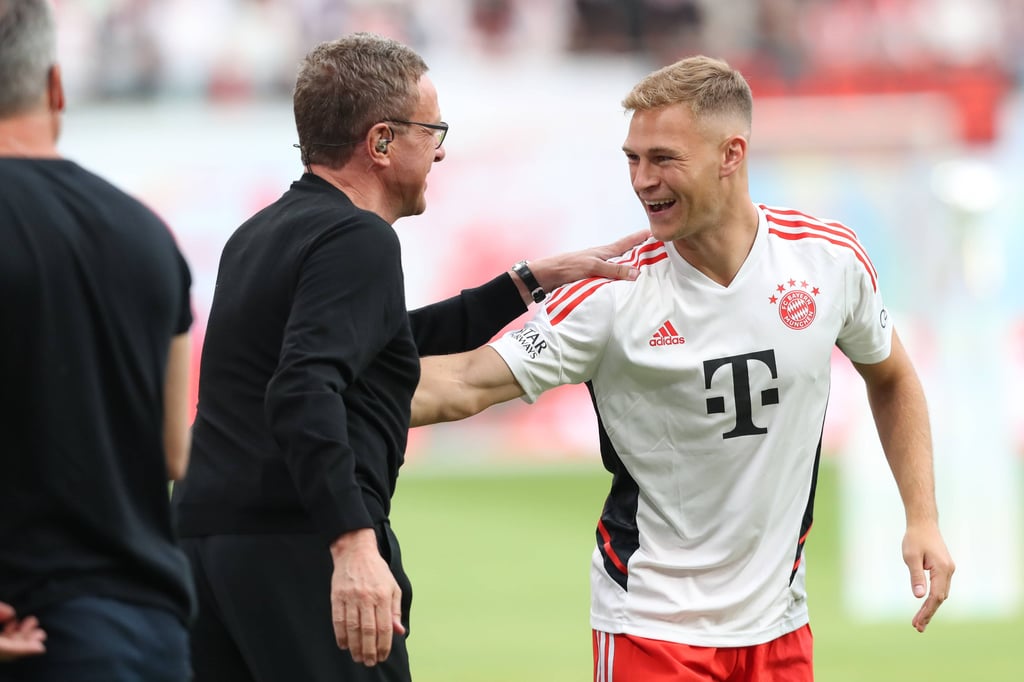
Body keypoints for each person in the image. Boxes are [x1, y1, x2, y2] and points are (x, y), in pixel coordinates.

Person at [411, 55, 956, 681]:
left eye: (663, 159)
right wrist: (323, 398)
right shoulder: (612, 292)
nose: (643, 181)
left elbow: (892, 375)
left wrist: (922, 517)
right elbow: (462, 383)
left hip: (780, 625)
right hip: (652, 627)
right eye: (632, 159)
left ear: (731, 155)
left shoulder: (828, 262)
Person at [168, 31, 645, 682]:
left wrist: (528, 282)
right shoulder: (357, 238)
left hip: (207, 545)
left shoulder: (261, 232)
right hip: (297, 543)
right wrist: (352, 541)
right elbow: (303, 387)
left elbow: (380, 344)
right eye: (433, 130)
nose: (441, 150)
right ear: (382, 142)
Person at [0, 1, 196, 681]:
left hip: (30, 624)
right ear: (56, 86)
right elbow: (174, 451)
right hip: (152, 628)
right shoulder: (147, 233)